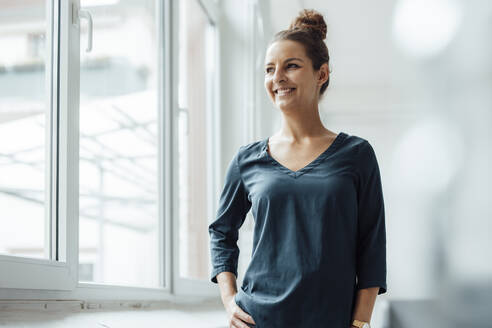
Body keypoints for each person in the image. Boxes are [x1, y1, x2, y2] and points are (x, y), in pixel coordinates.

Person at [208, 9, 387, 328]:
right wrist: (228, 299)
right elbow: (221, 231)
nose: (277, 78)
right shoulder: (247, 159)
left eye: (291, 66)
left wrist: (361, 322)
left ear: (322, 74)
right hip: (257, 319)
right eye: (269, 69)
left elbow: (371, 245)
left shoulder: (357, 154)